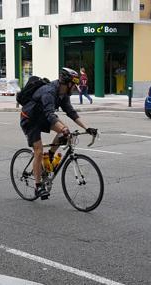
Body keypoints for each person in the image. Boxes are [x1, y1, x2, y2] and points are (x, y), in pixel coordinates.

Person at [20, 67, 98, 199]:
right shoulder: (49, 92)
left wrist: (87, 128)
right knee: (38, 151)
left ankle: (50, 155)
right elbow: (50, 115)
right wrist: (63, 128)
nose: (75, 88)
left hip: (43, 117)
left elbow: (71, 112)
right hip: (30, 118)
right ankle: (38, 187)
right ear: (67, 83)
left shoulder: (63, 94)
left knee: (64, 132)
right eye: (74, 85)